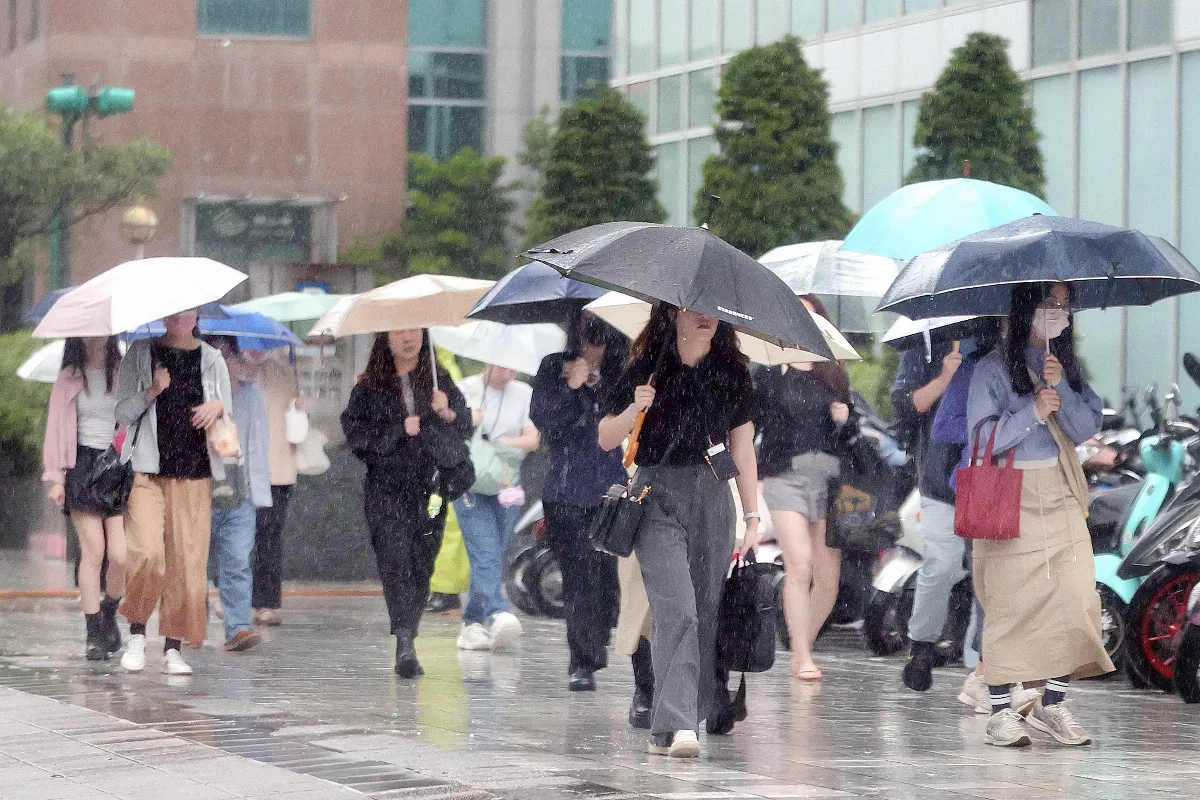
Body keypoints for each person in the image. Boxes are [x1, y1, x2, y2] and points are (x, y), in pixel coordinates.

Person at [599, 304, 758, 759]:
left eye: (714, 309)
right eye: (696, 307)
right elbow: (607, 438)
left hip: (713, 495)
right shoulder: (646, 365)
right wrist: (635, 407)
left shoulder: (731, 371)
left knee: (705, 611)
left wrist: (752, 518)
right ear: (673, 311)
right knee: (678, 609)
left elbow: (743, 452)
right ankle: (675, 725)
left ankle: (678, 718)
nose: (706, 316)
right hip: (655, 493)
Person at [967, 282, 1114, 748]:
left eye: (1065, 306)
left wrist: (1060, 389)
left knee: (1076, 597)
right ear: (1026, 308)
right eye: (1049, 304)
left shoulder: (1063, 366)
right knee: (1011, 604)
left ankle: (1052, 703)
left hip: (1062, 489)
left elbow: (1087, 426)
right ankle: (999, 711)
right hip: (1011, 495)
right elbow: (982, 443)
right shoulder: (990, 370)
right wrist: (1031, 410)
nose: (1058, 313)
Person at [340, 330, 470, 678]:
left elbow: (466, 426)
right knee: (395, 559)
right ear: (386, 337)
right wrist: (399, 430)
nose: (408, 338)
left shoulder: (438, 380)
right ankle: (405, 639)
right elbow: (354, 434)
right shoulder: (370, 386)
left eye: (415, 330)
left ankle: (408, 629)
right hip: (386, 488)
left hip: (429, 487)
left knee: (421, 561)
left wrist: (448, 414)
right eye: (400, 331)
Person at [116, 309, 231, 675]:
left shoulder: (212, 359)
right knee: (147, 552)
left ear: (197, 315)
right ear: (163, 315)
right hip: (147, 470)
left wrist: (219, 407)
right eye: (174, 312)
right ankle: (136, 632)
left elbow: (227, 424)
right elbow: (122, 412)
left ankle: (173, 646)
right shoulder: (139, 353)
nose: (180, 318)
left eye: (188, 311)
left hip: (195, 472)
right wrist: (153, 389)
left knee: (186, 563)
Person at [530, 311, 628, 691]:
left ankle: (597, 643)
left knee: (605, 579)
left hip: (615, 489)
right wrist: (571, 388)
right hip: (567, 490)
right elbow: (545, 422)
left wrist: (600, 386)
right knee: (578, 577)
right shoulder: (554, 367)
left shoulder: (626, 372)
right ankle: (582, 660)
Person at [755, 296, 851, 681]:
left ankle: (801, 646)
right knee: (800, 564)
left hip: (828, 481)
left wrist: (845, 419)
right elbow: (750, 421)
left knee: (828, 579)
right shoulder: (770, 370)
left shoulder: (834, 372)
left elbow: (853, 438)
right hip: (784, 476)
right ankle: (802, 654)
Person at [42, 337, 127, 661]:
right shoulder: (68, 377)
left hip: (116, 464)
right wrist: (54, 477)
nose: (96, 335)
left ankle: (108, 612)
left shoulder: (122, 370)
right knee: (93, 552)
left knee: (120, 556)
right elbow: (54, 428)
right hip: (80, 466)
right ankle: (93, 633)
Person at [891, 330, 965, 691]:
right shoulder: (927, 344)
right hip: (939, 479)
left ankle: (982, 660)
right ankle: (921, 646)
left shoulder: (1001, 340)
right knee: (943, 562)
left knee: (990, 573)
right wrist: (946, 377)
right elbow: (907, 404)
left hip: (991, 478)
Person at [453, 364, 540, 652]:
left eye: (517, 367)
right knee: (486, 552)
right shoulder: (466, 390)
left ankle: (472, 623)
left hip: (506, 484)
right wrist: (468, 420)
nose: (511, 373)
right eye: (505, 366)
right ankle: (497, 611)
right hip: (469, 484)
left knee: (496, 551)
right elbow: (446, 432)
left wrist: (502, 443)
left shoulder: (523, 393)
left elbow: (533, 439)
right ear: (490, 361)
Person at [205, 337, 271, 653]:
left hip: (240, 491)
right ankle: (192, 625)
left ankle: (238, 627)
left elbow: (258, 444)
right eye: (213, 353)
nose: (220, 360)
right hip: (200, 490)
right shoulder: (197, 396)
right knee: (194, 562)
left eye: (226, 353)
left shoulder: (250, 395)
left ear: (235, 358)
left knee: (237, 559)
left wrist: (259, 493)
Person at [246, 348, 302, 627]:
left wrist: (302, 409)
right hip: (242, 466)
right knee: (238, 536)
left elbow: (297, 418)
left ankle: (264, 602)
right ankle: (231, 593)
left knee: (269, 537)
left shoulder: (285, 371)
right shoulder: (230, 368)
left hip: (278, 467)